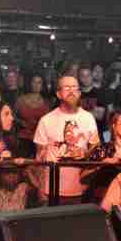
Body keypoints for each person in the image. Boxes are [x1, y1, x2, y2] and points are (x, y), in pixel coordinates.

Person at [33, 75, 100, 204]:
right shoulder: (46, 120)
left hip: (79, 190)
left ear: (79, 93)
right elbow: (39, 158)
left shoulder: (88, 118)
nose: (71, 91)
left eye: (75, 88)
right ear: (58, 94)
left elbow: (96, 151)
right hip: (51, 190)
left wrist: (86, 180)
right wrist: (41, 189)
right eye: (67, 88)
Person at [13, 72, 50, 158]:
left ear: (42, 85)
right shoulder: (21, 100)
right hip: (22, 139)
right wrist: (20, 122)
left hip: (39, 140)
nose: (36, 85)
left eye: (39, 82)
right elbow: (12, 116)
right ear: (30, 83)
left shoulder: (46, 103)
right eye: (34, 82)